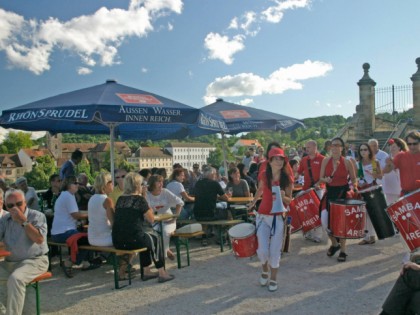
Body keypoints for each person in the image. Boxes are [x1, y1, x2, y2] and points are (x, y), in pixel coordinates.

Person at [112, 172, 174, 283]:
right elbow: (151, 219)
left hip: (118, 239)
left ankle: (146, 271)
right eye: (142, 184)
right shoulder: (139, 199)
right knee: (156, 238)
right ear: (137, 185)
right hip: (133, 238)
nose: (143, 186)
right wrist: (144, 196)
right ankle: (162, 272)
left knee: (146, 237)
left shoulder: (121, 199)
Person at [247, 147, 293, 292]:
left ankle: (273, 278)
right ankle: (264, 270)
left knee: (275, 251)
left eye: (281, 159)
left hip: (278, 218)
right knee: (262, 250)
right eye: (276, 159)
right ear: (270, 161)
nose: (279, 161)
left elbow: (289, 200)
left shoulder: (287, 178)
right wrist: (253, 202)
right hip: (262, 216)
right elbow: (260, 190)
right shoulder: (264, 175)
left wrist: (282, 194)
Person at [0, 189, 49, 315]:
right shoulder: (5, 219)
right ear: (6, 206)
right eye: (10, 205)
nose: (15, 208)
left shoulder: (37, 216)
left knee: (16, 279)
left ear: (25, 202)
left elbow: (39, 239)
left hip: (35, 260)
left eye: (18, 203)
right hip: (10, 262)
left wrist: (23, 221)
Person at [318, 137, 358, 262]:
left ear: (342, 148)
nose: (334, 147)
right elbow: (321, 178)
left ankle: (343, 250)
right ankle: (335, 244)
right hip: (330, 193)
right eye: (332, 145)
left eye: (337, 145)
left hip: (342, 194)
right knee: (325, 221)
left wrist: (355, 187)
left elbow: (353, 178)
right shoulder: (325, 161)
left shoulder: (347, 162)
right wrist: (326, 180)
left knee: (342, 224)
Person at [51, 175, 96, 278]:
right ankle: (69, 263)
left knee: (84, 237)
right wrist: (91, 213)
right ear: (68, 185)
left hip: (58, 232)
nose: (78, 185)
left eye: (78, 183)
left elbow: (76, 212)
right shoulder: (68, 196)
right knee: (90, 239)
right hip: (63, 233)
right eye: (75, 183)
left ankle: (85, 262)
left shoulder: (65, 195)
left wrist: (87, 213)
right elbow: (76, 215)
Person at [146, 175, 183, 260]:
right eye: (158, 182)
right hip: (154, 221)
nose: (161, 184)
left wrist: (175, 218)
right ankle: (166, 250)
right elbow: (146, 209)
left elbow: (180, 203)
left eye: (162, 182)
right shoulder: (147, 194)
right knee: (152, 235)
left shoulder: (165, 192)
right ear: (152, 184)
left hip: (168, 220)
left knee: (165, 232)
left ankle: (162, 257)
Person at [297, 140, 326, 243]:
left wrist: (317, 185)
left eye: (308, 147)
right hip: (306, 189)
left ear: (314, 147)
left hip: (318, 189)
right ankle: (308, 232)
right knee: (306, 212)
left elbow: (326, 175)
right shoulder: (304, 160)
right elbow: (298, 172)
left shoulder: (323, 159)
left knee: (317, 212)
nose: (306, 149)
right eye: (306, 148)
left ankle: (318, 235)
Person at [355, 143, 383, 245]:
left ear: (369, 151)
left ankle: (371, 236)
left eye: (365, 149)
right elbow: (356, 179)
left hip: (373, 190)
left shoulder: (375, 162)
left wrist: (374, 174)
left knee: (372, 214)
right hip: (363, 191)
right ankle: (368, 236)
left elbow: (380, 177)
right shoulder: (358, 164)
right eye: (361, 150)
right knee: (365, 214)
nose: (363, 152)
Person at [383, 130, 420, 195]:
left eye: (415, 144)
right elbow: (387, 171)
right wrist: (389, 164)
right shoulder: (401, 156)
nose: (412, 146)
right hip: (406, 194)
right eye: (409, 144)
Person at [88, 172, 114, 247]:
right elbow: (113, 223)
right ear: (105, 184)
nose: (113, 183)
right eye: (111, 181)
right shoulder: (107, 200)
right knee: (133, 241)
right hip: (105, 239)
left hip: (92, 239)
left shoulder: (91, 198)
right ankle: (123, 259)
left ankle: (105, 258)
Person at [382, 138, 408, 205]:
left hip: (403, 191)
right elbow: (382, 174)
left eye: (394, 146)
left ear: (399, 147)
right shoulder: (386, 159)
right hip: (389, 192)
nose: (391, 148)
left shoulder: (405, 157)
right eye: (390, 146)